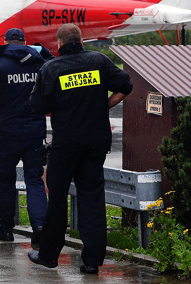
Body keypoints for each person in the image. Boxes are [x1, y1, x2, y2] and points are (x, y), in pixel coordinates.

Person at [27, 24, 132, 275]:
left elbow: (37, 106)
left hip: (66, 146)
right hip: (95, 144)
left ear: (59, 44)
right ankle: (92, 261)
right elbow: (125, 86)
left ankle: (49, 256)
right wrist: (101, 107)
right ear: (82, 40)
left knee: (57, 200)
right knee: (93, 200)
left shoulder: (51, 68)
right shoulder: (99, 61)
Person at [0, 28, 49, 245]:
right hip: (34, 134)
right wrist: (42, 50)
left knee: (5, 182)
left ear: (5, 43)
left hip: (6, 135)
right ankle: (40, 228)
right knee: (34, 180)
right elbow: (56, 67)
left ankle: (6, 230)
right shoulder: (39, 63)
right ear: (25, 42)